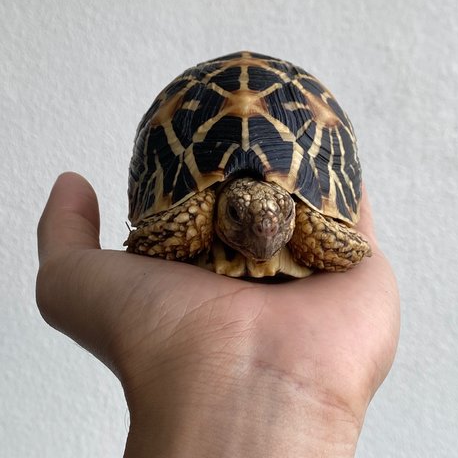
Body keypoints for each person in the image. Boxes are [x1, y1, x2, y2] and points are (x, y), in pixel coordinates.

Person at [37, 172, 400, 457]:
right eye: (237, 216)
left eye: (283, 215)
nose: (264, 233)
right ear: (219, 207)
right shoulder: (201, 213)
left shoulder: (297, 222)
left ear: (293, 209)